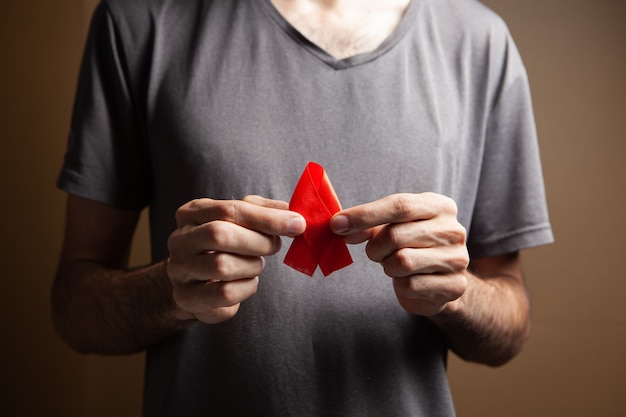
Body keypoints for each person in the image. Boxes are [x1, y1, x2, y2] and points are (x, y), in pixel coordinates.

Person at [52, 0, 554, 415]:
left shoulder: (480, 41)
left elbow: (511, 326)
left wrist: (458, 295)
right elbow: (74, 309)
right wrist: (172, 289)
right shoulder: (139, 19)